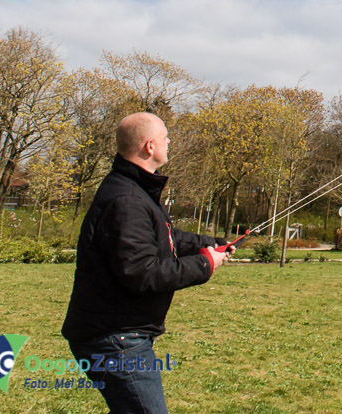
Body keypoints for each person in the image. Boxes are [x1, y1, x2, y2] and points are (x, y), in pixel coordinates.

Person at [62, 112, 230, 413]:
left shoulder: (136, 191)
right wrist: (205, 264)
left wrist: (209, 244)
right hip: (115, 338)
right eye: (165, 137)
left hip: (121, 334)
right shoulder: (127, 199)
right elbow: (142, 273)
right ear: (150, 146)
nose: (170, 141)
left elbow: (165, 236)